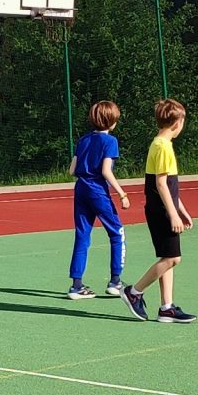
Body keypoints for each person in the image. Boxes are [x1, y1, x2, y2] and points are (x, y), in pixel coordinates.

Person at [120, 98, 194, 323]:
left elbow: (170, 186)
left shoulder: (162, 144)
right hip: (160, 210)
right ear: (177, 123)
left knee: (168, 256)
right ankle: (134, 292)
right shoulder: (162, 147)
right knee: (173, 258)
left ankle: (166, 308)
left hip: (163, 208)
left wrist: (181, 209)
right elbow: (161, 184)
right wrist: (173, 214)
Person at [67, 99, 129, 297]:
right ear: (111, 121)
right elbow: (106, 171)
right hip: (97, 191)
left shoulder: (83, 140)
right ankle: (115, 282)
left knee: (82, 235)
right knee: (117, 233)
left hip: (80, 190)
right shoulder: (110, 141)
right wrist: (122, 194)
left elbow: (72, 170)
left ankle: (76, 285)